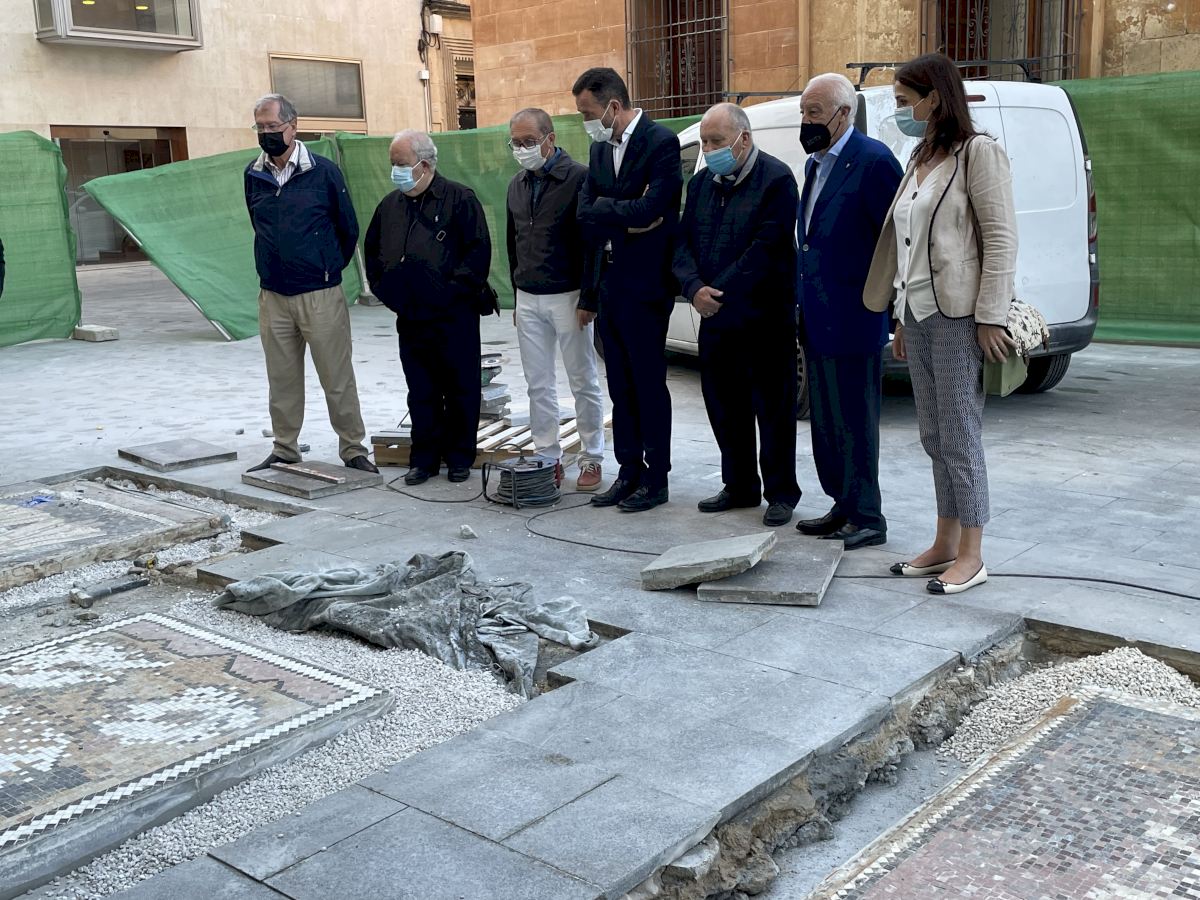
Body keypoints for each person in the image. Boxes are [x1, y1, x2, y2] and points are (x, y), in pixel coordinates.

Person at [864, 53, 1019, 594]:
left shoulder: (979, 152)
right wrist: (901, 317)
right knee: (933, 434)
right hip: (918, 313)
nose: (900, 110)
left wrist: (990, 316)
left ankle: (972, 554)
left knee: (959, 433)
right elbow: (907, 244)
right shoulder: (920, 156)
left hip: (960, 316)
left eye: (904, 101)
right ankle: (945, 542)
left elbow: (1001, 238)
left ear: (934, 98)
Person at [673, 103, 801, 527]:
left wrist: (717, 292)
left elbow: (766, 249)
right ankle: (740, 485)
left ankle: (780, 492)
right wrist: (693, 287)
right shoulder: (702, 184)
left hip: (765, 318)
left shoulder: (776, 179)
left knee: (774, 409)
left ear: (743, 139)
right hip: (715, 318)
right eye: (705, 142)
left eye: (716, 141)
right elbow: (682, 242)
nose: (709, 150)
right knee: (724, 405)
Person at [795, 73, 903, 550]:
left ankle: (868, 516)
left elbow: (895, 241)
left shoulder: (873, 162)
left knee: (856, 421)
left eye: (814, 112)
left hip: (856, 316)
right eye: (803, 112)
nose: (806, 121)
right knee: (827, 422)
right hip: (817, 316)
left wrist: (894, 312)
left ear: (844, 114)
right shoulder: (815, 164)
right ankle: (841, 503)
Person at [243, 93, 376, 474]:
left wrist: (326, 267)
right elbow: (258, 224)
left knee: (337, 377)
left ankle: (353, 449)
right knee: (281, 379)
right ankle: (285, 448)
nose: (267, 133)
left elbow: (347, 228)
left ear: (293, 125)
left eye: (273, 126)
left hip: (320, 293)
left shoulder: (324, 172)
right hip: (273, 295)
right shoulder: (253, 174)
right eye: (260, 127)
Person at [573, 66, 682, 513]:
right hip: (611, 285)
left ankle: (656, 478)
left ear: (613, 106)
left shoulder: (661, 143)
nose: (585, 121)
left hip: (646, 286)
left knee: (647, 384)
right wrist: (625, 215)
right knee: (619, 385)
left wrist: (613, 211)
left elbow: (655, 208)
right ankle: (628, 471)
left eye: (588, 113)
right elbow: (585, 211)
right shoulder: (599, 150)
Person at [365, 130, 492, 486]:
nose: (396, 171)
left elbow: (477, 253)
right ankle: (424, 459)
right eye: (393, 164)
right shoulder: (389, 206)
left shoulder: (460, 199)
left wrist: (449, 293)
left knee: (461, 388)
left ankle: (460, 458)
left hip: (454, 315)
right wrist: (391, 294)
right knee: (421, 390)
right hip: (410, 315)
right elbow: (373, 255)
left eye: (401, 164)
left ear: (424, 165)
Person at [505, 107, 606, 491]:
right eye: (516, 143)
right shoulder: (517, 184)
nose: (522, 149)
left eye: (529, 141)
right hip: (528, 297)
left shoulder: (579, 178)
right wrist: (517, 295)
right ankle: (547, 455)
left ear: (550, 138)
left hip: (569, 296)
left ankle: (592, 456)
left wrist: (589, 297)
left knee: (583, 380)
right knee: (538, 384)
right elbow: (513, 241)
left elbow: (592, 243)